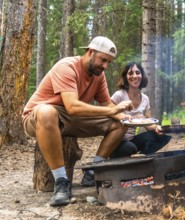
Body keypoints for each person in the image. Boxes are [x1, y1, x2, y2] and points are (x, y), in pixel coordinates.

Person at [22, 36, 133, 207]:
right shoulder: (67, 67)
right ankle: (61, 183)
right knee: (46, 112)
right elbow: (72, 106)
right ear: (90, 52)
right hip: (39, 117)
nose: (105, 66)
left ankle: (94, 170)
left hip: (72, 118)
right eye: (103, 60)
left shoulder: (99, 75)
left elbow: (106, 103)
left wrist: (125, 117)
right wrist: (112, 111)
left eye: (108, 63)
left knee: (121, 123)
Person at [110, 62, 171, 158]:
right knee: (131, 148)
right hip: (117, 140)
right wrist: (133, 118)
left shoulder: (145, 99)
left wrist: (156, 128)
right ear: (125, 77)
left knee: (163, 137)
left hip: (132, 139)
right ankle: (117, 157)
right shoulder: (119, 95)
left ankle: (141, 159)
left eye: (138, 72)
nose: (134, 76)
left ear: (142, 75)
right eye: (130, 73)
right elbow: (109, 114)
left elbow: (148, 123)